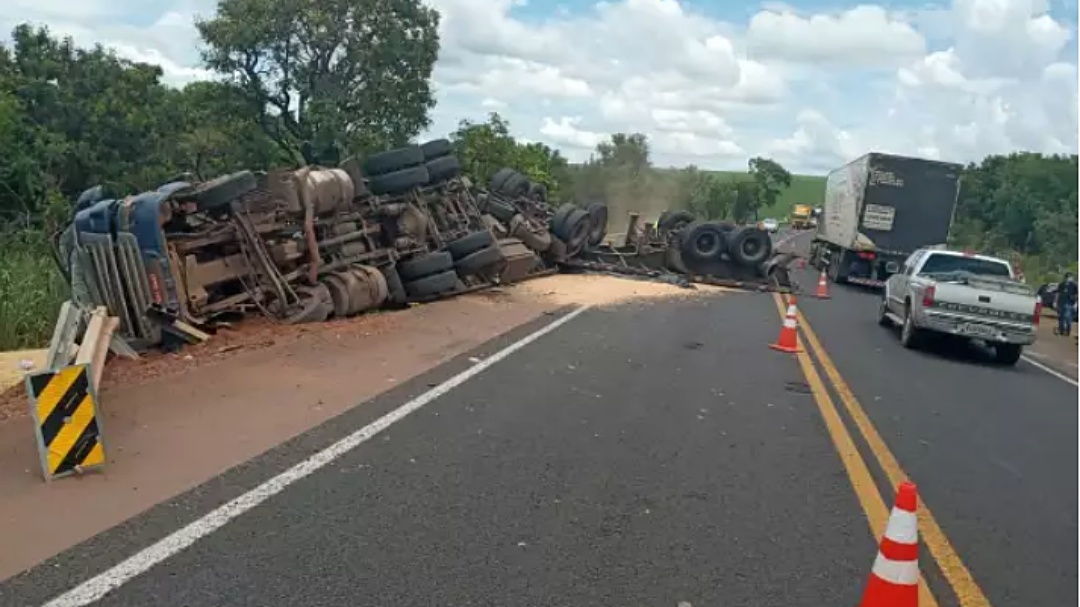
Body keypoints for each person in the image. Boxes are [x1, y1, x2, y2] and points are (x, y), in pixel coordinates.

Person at [1055, 272, 1077, 337]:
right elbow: (1058, 293)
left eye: (1070, 277)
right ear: (1065, 278)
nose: (1069, 278)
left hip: (1070, 303)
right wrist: (1055, 302)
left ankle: (1068, 330)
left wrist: (1076, 303)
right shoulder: (1061, 284)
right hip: (1061, 303)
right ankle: (1061, 330)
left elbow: (1077, 295)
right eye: (1068, 277)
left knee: (1068, 318)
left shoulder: (1074, 285)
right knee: (1061, 317)